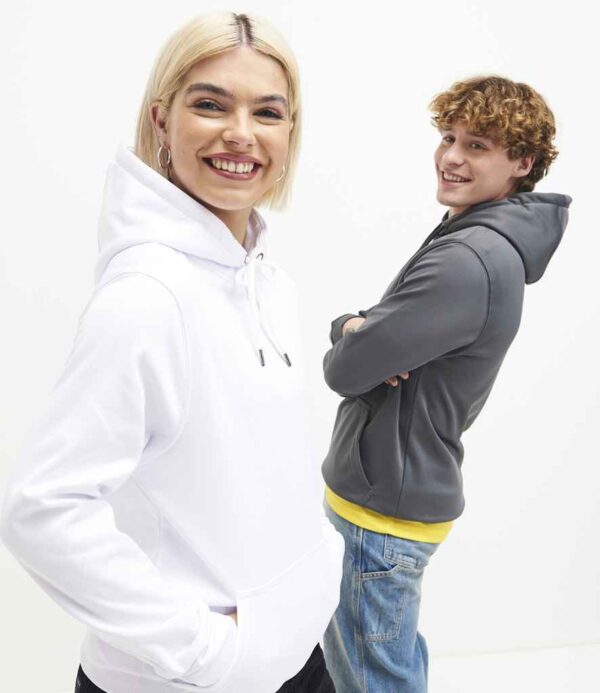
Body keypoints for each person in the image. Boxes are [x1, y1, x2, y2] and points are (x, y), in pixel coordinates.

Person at [0, 12, 343, 693]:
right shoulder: (146, 298)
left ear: (290, 131)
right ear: (161, 121)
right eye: (210, 104)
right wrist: (207, 651)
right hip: (189, 680)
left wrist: (308, 583)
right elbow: (44, 509)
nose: (240, 133)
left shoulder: (270, 283)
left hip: (297, 660)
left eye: (267, 112)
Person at [320, 75, 571, 692]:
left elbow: (345, 370)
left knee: (377, 680)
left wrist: (355, 336)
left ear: (522, 162)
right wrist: (352, 327)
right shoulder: (472, 236)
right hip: (388, 496)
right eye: (448, 137)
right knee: (383, 664)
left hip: (383, 513)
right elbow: (367, 337)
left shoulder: (469, 258)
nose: (451, 157)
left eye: (477, 145)